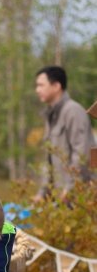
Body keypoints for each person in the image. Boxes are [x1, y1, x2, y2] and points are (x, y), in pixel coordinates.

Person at [33, 66, 95, 202]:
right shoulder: (51, 115)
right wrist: (43, 192)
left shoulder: (73, 111)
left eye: (41, 85)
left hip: (79, 198)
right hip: (60, 198)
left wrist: (70, 189)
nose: (37, 90)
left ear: (56, 86)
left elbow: (82, 153)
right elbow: (49, 159)